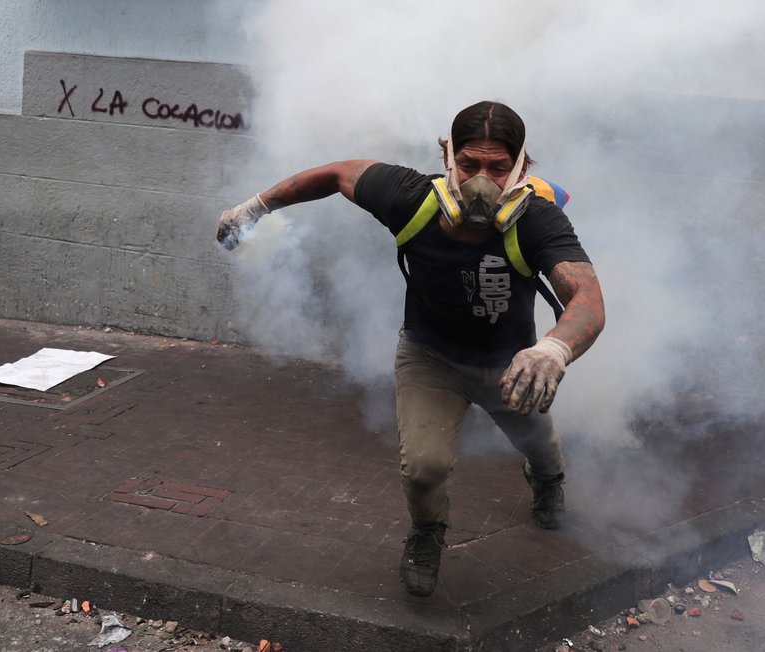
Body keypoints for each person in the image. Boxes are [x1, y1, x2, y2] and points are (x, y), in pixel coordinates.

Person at [215, 100, 605, 598]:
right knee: (423, 468)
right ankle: (427, 533)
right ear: (447, 157)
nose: (482, 181)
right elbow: (337, 173)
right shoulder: (408, 197)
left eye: (498, 168)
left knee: (541, 447)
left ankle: (547, 481)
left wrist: (552, 350)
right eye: (469, 165)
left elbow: (589, 300)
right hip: (430, 359)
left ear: (522, 167)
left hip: (510, 365)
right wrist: (255, 208)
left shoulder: (537, 221)